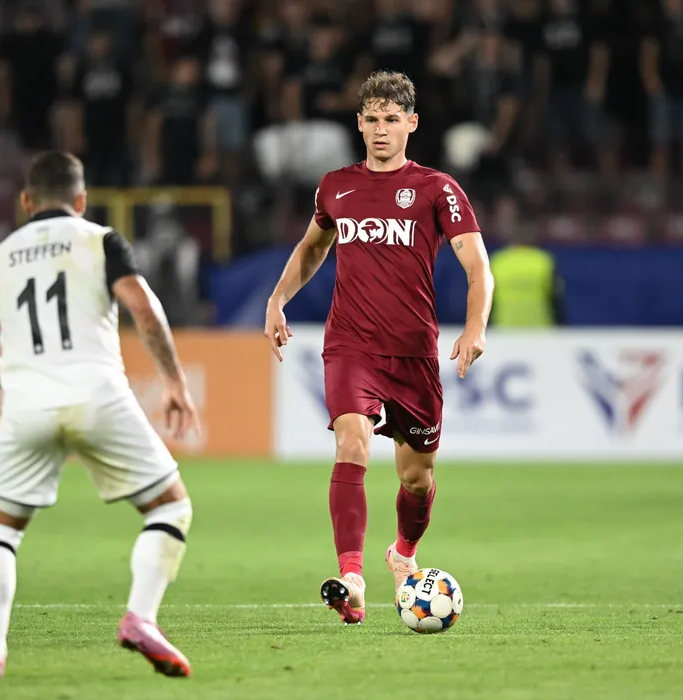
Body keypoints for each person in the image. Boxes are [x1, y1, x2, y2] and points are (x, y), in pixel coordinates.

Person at [263, 71, 494, 625]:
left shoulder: (438, 189)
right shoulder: (335, 186)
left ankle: (403, 554)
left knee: (417, 477)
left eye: (392, 119)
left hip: (413, 351)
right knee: (352, 444)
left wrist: (475, 327)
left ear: (412, 123)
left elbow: (477, 266)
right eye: (371, 119)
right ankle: (352, 578)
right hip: (351, 344)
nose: (381, 129)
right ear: (359, 124)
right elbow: (312, 248)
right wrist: (277, 300)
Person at [0, 152, 199, 678]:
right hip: (98, 395)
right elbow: (142, 306)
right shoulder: (100, 241)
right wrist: (174, 382)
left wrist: (20, 383)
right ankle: (140, 618)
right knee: (170, 508)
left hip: (27, 407)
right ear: (82, 200)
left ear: (26, 201)